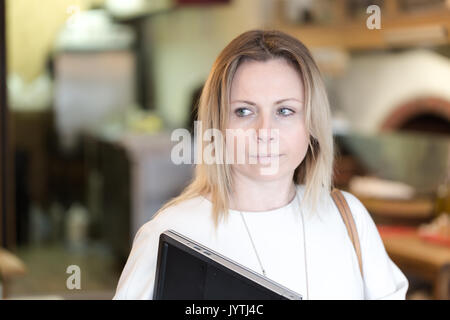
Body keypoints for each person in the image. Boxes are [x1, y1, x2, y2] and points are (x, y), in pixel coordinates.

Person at [113, 29, 409, 300]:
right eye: (243, 111)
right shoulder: (171, 233)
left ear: (312, 123)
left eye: (284, 110)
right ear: (217, 124)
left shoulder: (349, 218)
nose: (265, 132)